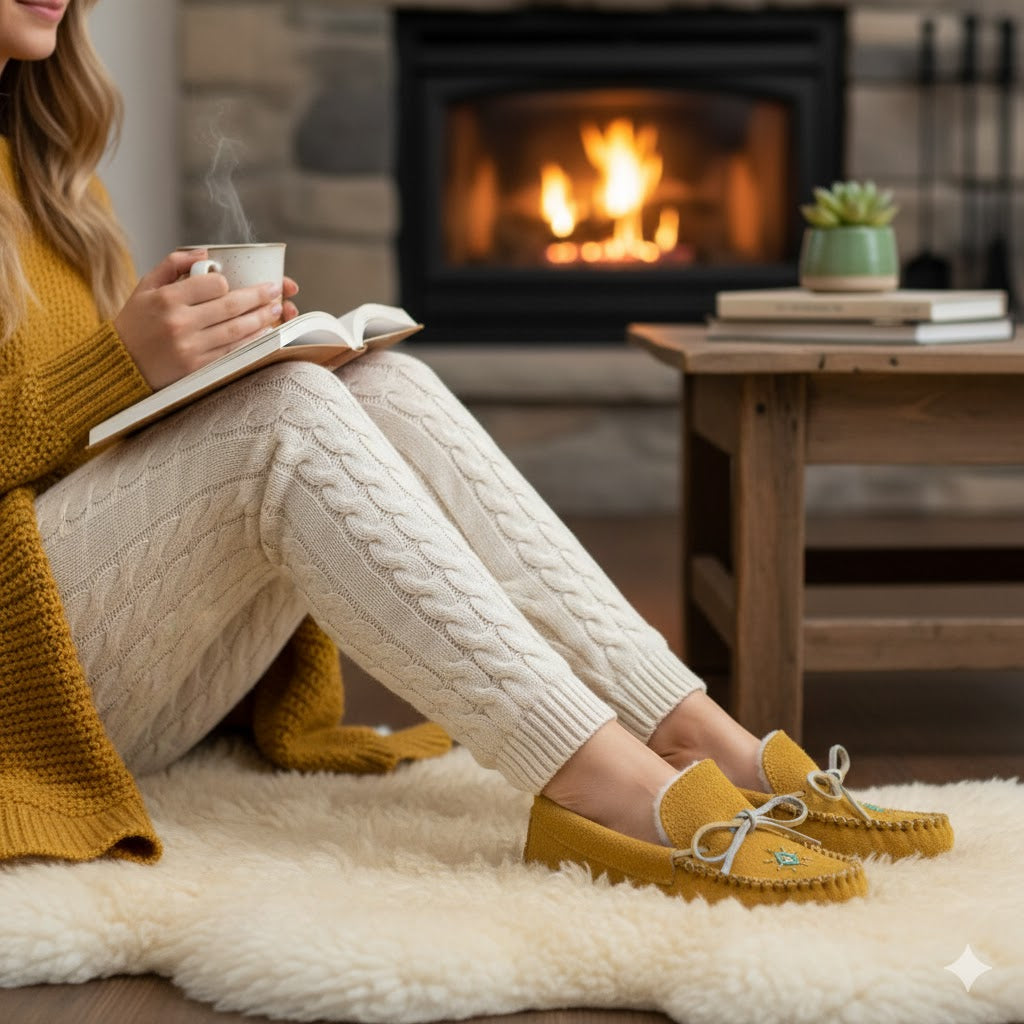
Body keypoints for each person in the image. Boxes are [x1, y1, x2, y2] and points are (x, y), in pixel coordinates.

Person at [0, 0, 951, 909]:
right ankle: (599, 783)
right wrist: (120, 367)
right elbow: (82, 409)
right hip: (23, 694)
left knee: (383, 385)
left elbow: (87, 463)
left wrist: (197, 377)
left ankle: (690, 728)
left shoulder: (49, 173)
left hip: (108, 681)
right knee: (285, 413)